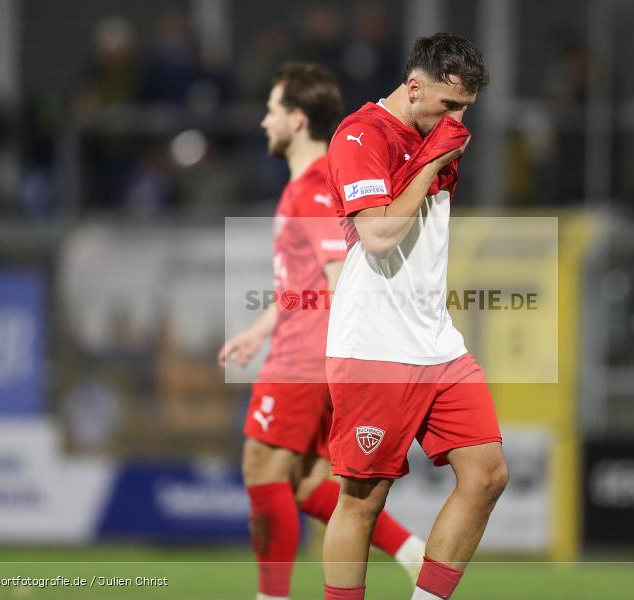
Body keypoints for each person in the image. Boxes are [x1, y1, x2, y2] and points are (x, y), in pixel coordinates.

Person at [218, 63, 424, 600]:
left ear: (297, 120)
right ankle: (410, 551)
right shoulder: (308, 187)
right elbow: (302, 283)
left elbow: (341, 282)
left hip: (305, 360)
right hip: (303, 351)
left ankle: (272, 596)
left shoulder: (313, 189)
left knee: (260, 467)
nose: (264, 121)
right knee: (310, 487)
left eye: (272, 110)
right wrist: (260, 329)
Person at [322, 34, 509, 600]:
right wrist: (430, 164)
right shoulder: (361, 135)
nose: (456, 120)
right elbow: (378, 236)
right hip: (375, 343)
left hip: (435, 339)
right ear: (413, 86)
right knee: (363, 500)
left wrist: (434, 151)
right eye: (448, 105)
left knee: (487, 474)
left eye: (465, 110)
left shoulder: (435, 136)